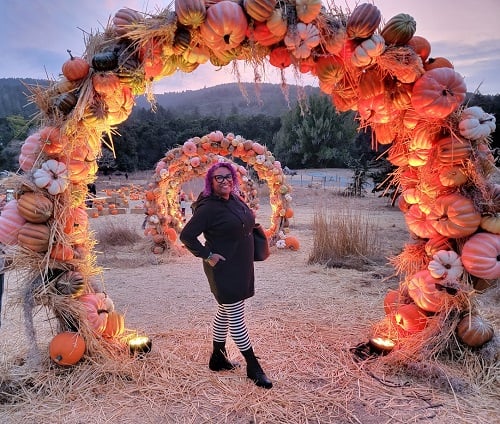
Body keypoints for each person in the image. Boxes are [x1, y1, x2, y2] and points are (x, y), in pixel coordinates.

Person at [180, 162, 272, 389]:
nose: (225, 181)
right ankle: (253, 366)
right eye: (219, 178)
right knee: (236, 317)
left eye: (228, 176)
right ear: (210, 182)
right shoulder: (208, 208)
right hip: (223, 268)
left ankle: (217, 358)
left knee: (225, 311)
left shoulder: (235, 199)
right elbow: (187, 236)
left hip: (241, 265)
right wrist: (207, 254)